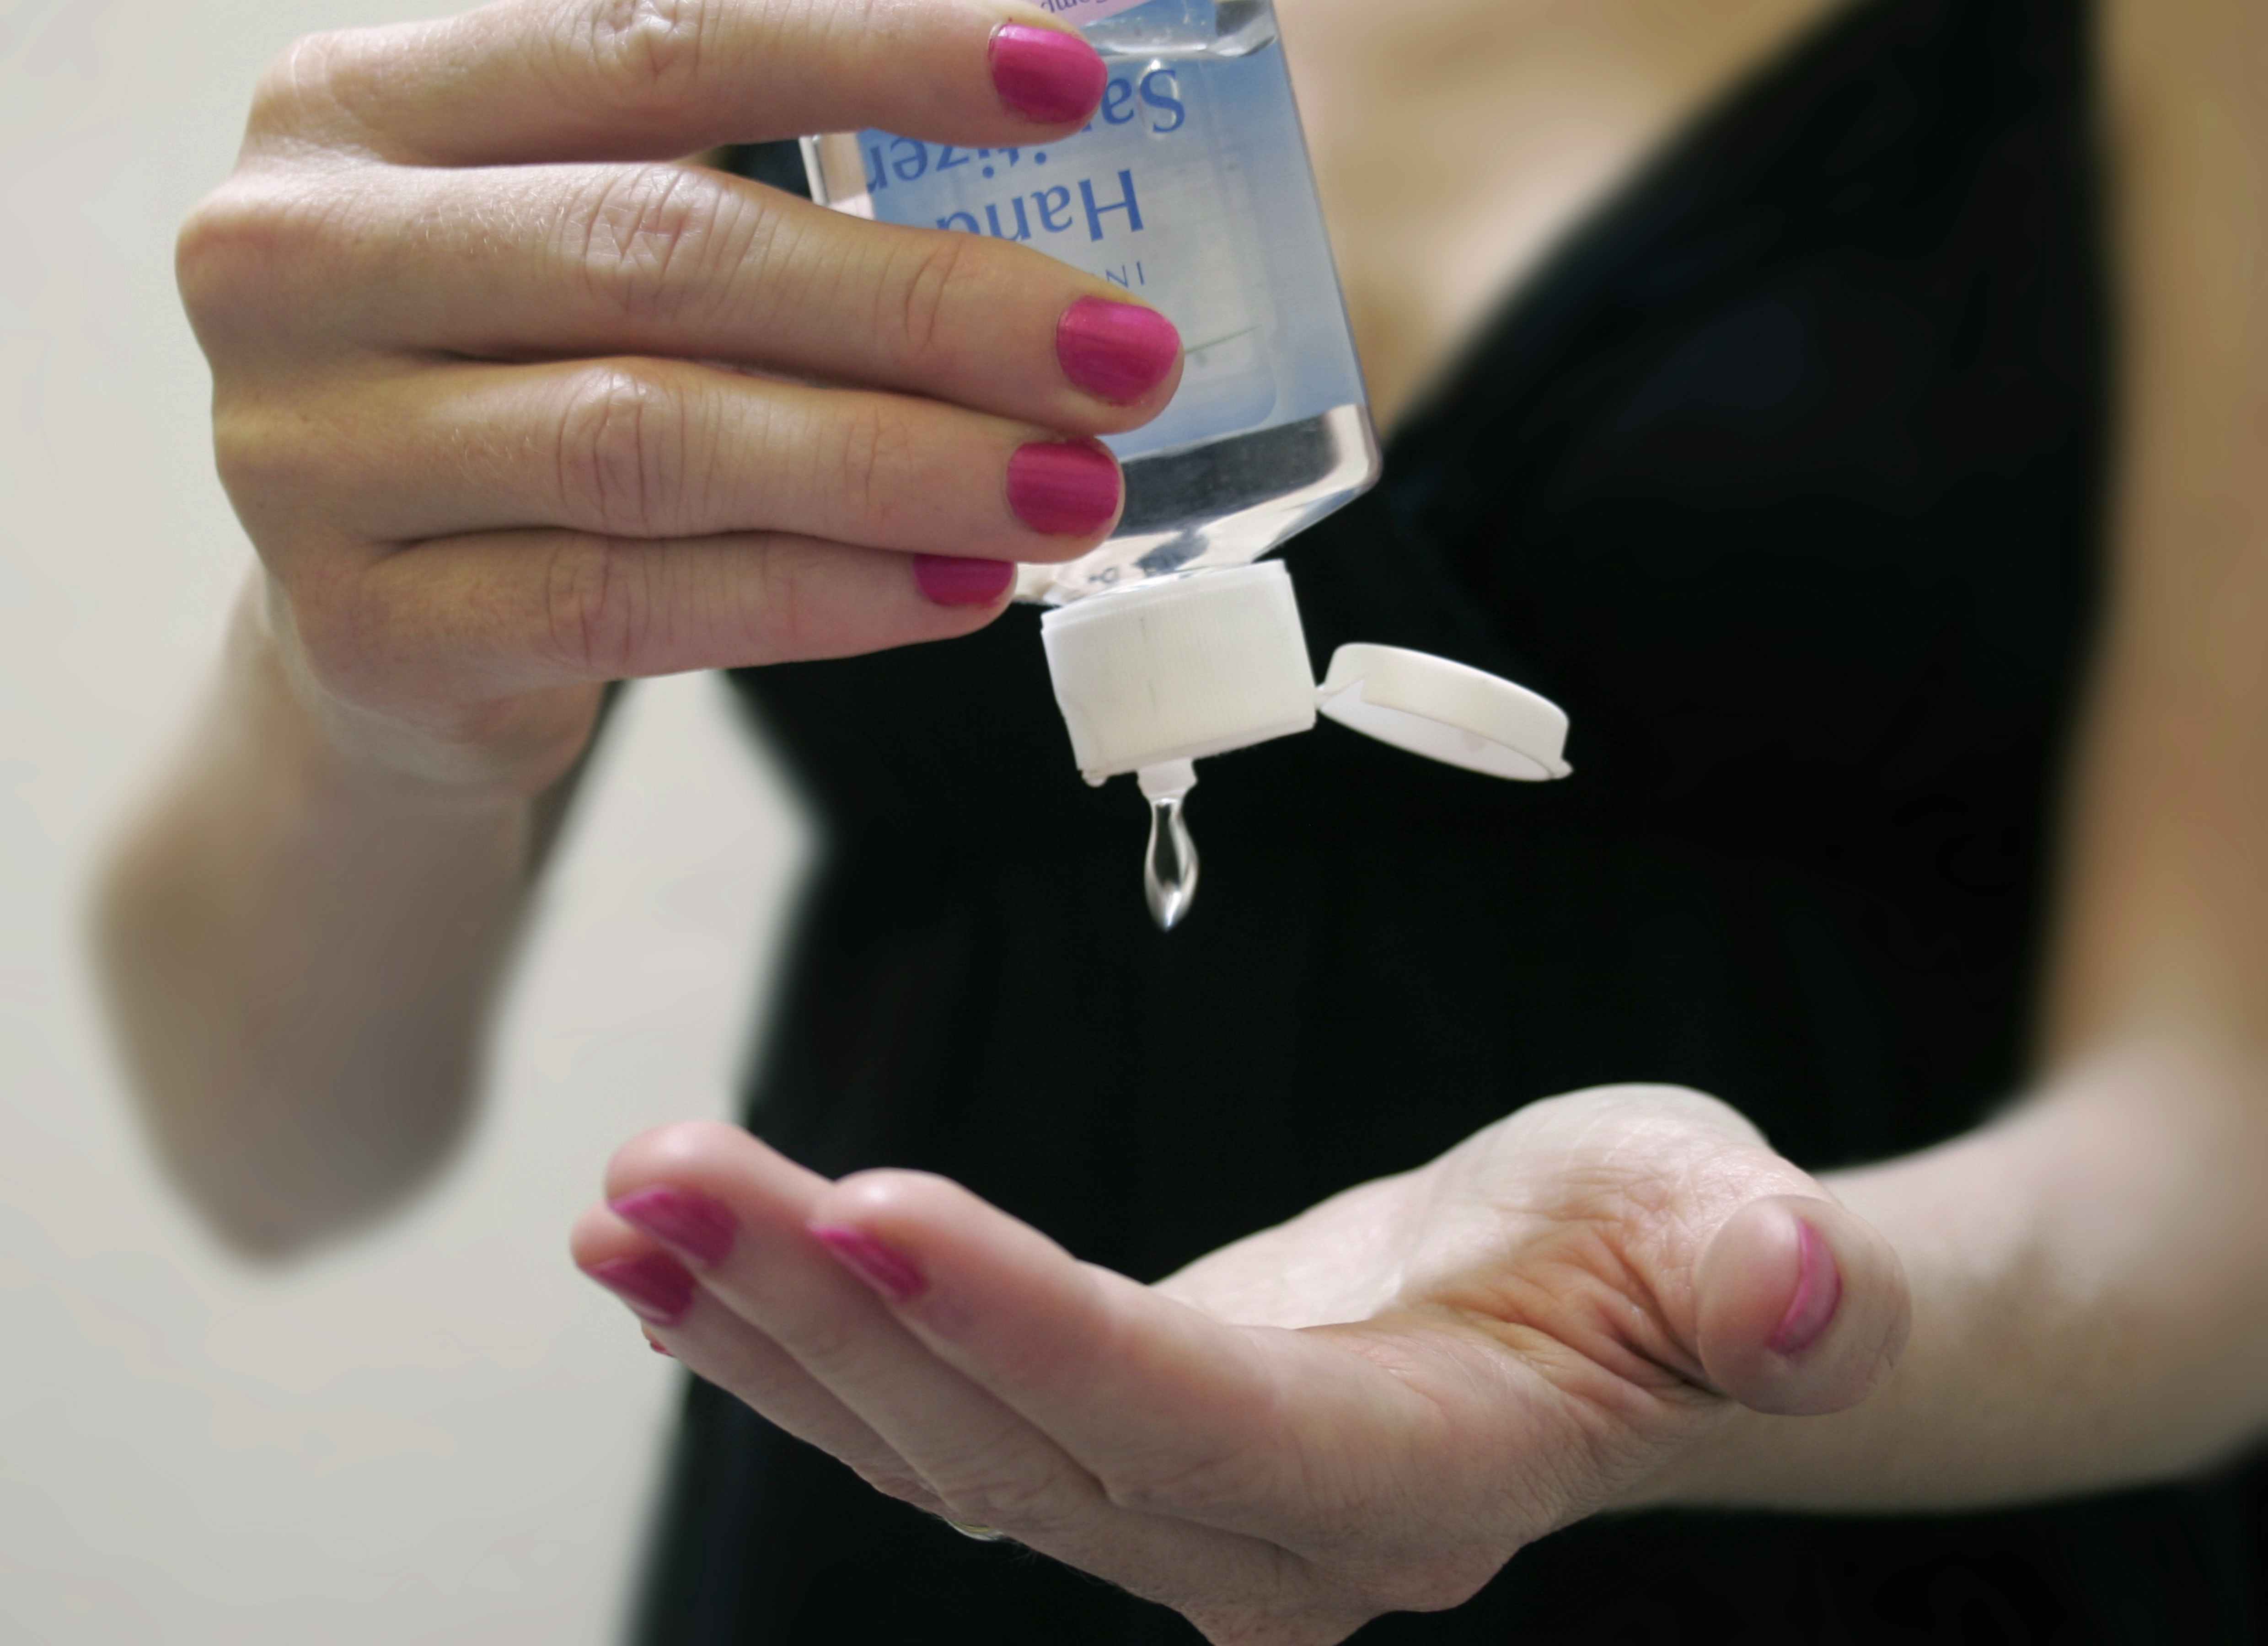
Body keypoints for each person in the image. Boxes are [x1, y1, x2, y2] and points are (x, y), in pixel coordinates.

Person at [93, 0, 2268, 1638]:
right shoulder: (774, 44)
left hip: (1912, 1532)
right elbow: (276, 1144)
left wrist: (1735, 1332)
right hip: (916, 1514)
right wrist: (376, 708)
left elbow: (2226, 1122)